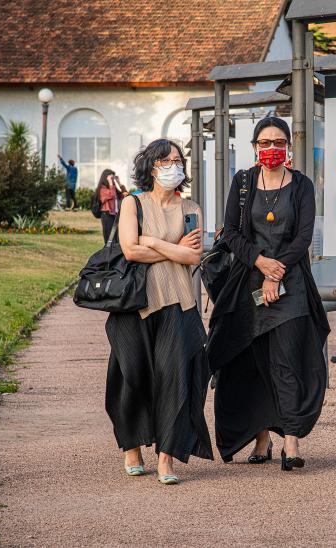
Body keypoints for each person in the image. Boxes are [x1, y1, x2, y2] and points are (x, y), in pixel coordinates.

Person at [207, 117, 330, 470]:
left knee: (287, 360)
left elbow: (303, 237)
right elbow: (230, 232)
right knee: (252, 363)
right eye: (265, 142)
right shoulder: (243, 182)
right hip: (248, 285)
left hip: (291, 286)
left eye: (278, 141)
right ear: (254, 147)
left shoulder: (302, 185)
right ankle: (261, 437)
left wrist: (277, 273)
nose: (271, 148)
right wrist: (261, 263)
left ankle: (290, 443)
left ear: (288, 146)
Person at [104, 138, 212, 485]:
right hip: (136, 305)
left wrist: (151, 242)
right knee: (130, 376)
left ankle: (166, 457)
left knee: (175, 379)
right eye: (166, 161)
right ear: (151, 166)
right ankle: (131, 446)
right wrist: (169, 248)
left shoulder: (191, 207)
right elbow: (130, 251)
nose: (174, 166)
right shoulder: (132, 203)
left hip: (178, 302)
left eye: (178, 161)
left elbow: (193, 257)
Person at [96, 169, 128, 242]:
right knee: (109, 239)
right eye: (111, 178)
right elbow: (112, 195)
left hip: (115, 215)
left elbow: (126, 194)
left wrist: (119, 183)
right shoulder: (102, 189)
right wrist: (110, 183)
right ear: (105, 178)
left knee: (117, 238)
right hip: (107, 215)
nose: (112, 180)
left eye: (113, 178)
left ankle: (115, 253)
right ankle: (108, 253)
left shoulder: (113, 189)